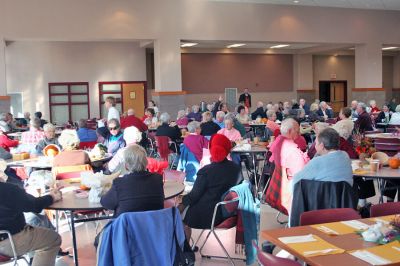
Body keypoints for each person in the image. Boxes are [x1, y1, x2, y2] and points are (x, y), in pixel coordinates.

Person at [178, 134, 242, 239]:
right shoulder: (236, 169)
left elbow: (194, 195)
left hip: (209, 215)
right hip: (230, 214)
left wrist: (181, 203)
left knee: (179, 214)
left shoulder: (205, 171)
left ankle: (186, 250)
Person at [0, 160, 62, 266]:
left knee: (34, 225)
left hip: (6, 236)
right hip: (7, 241)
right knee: (53, 239)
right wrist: (52, 197)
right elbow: (34, 205)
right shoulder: (7, 189)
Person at [101, 144, 164, 217]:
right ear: (146, 162)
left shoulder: (119, 184)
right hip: (154, 226)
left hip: (127, 227)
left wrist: (104, 191)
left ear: (126, 166)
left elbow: (106, 203)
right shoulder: (157, 180)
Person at [265, 118, 309, 214]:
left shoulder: (277, 142)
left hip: (279, 187)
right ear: (290, 131)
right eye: (297, 130)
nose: (299, 132)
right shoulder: (293, 151)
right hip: (290, 191)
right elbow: (302, 174)